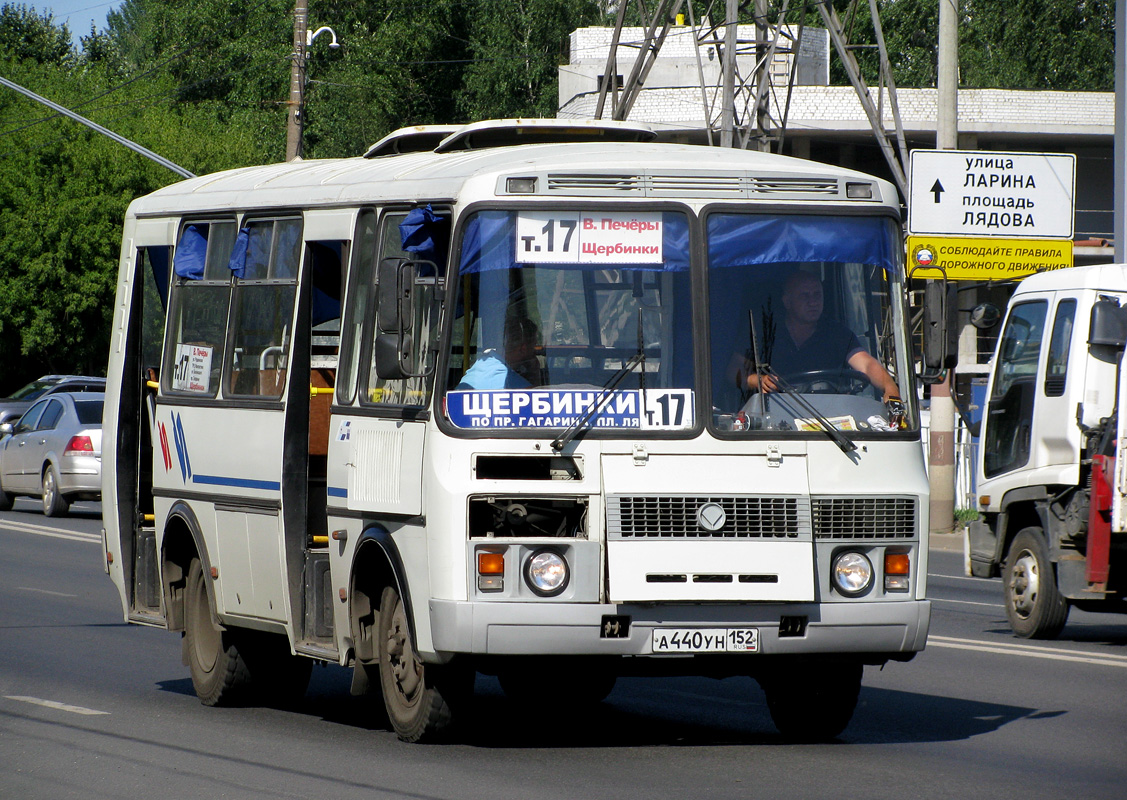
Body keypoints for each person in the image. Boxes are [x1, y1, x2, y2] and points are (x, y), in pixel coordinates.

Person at [735, 270, 901, 404]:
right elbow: (734, 370)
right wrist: (757, 380)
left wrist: (890, 389)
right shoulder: (765, 331)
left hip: (830, 419)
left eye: (817, 295)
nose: (813, 302)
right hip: (774, 416)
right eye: (804, 296)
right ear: (787, 301)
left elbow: (866, 365)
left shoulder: (837, 333)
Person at [456, 315, 543, 390]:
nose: (534, 351)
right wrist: (535, 373)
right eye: (533, 346)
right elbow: (536, 401)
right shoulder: (508, 379)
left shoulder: (483, 363)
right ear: (523, 349)